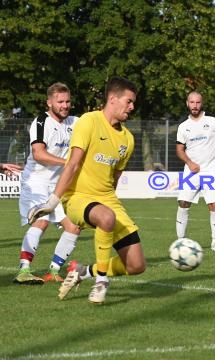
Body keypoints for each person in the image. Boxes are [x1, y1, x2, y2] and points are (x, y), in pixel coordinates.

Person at [28, 77, 146, 304]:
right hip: (77, 198)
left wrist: (108, 200)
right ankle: (101, 281)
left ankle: (84, 272)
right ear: (113, 99)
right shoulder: (88, 121)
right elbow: (72, 164)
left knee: (136, 265)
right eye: (129, 101)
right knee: (106, 216)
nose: (132, 107)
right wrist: (53, 202)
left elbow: (115, 178)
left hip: (107, 200)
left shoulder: (128, 139)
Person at [14, 83, 81, 285]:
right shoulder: (41, 121)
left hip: (57, 185)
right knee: (41, 221)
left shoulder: (75, 122)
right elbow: (39, 154)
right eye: (60, 101)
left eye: (67, 101)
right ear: (49, 102)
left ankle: (53, 271)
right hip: (35, 181)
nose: (65, 105)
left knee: (74, 227)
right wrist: (69, 163)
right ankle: (23, 271)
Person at [175, 91, 215, 251]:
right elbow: (179, 150)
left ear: (201, 103)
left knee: (214, 205)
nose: (195, 106)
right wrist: (189, 163)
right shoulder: (183, 126)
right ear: (187, 103)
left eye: (197, 102)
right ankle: (180, 241)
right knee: (183, 203)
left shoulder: (212, 121)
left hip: (210, 171)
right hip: (191, 172)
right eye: (192, 102)